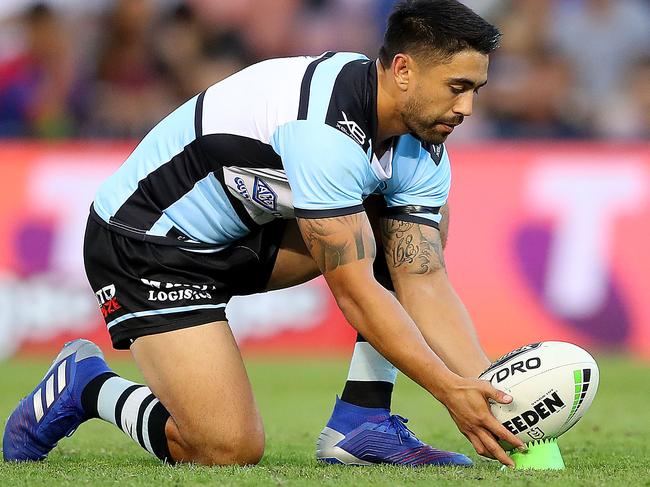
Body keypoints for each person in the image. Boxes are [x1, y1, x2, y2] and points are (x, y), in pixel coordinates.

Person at [3, 0, 525, 468]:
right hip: (148, 244)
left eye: (476, 90)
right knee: (225, 450)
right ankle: (88, 386)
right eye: (456, 89)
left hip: (244, 235)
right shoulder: (324, 128)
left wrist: (500, 396)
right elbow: (357, 293)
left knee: (411, 238)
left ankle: (362, 424)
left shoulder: (422, 140)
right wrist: (447, 392)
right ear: (404, 71)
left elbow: (423, 278)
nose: (467, 109)